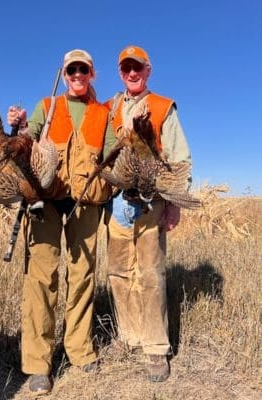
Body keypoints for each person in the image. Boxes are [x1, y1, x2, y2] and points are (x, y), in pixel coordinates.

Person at [7, 49, 114, 395]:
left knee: (83, 276)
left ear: (92, 73)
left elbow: (114, 155)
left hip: (86, 203)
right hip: (47, 202)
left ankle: (81, 352)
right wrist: (19, 125)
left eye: (83, 69)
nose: (78, 75)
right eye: (72, 70)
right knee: (41, 278)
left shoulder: (104, 113)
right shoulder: (47, 105)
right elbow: (27, 139)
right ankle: (39, 365)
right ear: (65, 74)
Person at [104, 45, 192, 382]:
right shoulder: (113, 106)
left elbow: (181, 159)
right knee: (120, 274)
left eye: (137, 67)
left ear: (148, 70)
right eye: (126, 67)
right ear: (120, 72)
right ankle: (129, 337)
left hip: (151, 204)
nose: (132, 72)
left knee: (152, 277)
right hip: (118, 205)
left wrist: (174, 202)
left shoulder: (162, 107)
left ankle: (156, 349)